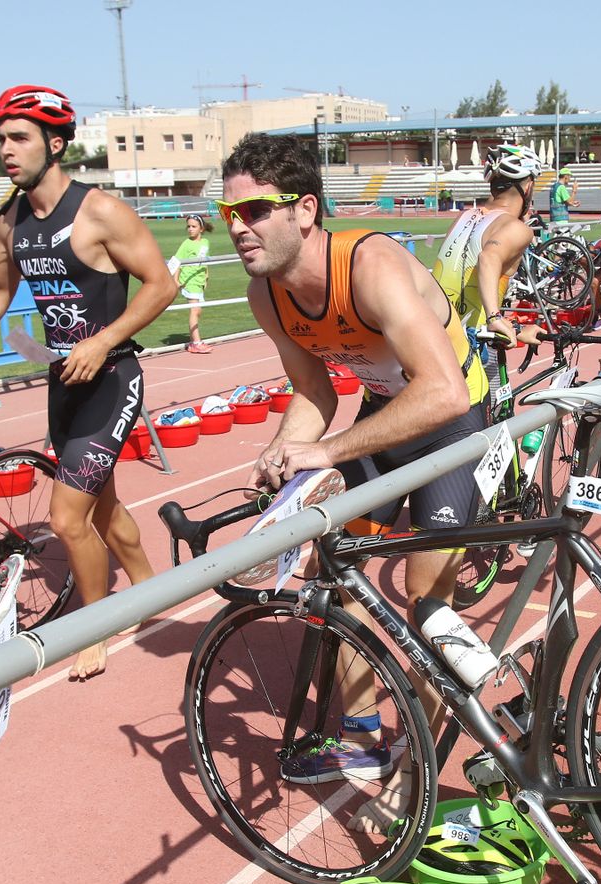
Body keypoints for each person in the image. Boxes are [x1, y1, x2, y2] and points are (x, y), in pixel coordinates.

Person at [220, 133, 490, 784]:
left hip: (454, 422)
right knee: (340, 578)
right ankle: (362, 738)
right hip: (387, 416)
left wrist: (326, 451)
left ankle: (422, 757)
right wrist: (286, 446)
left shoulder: (370, 266)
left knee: (427, 599)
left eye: (255, 211)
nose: (239, 227)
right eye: (231, 213)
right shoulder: (269, 295)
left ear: (305, 211)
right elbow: (313, 389)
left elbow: (443, 390)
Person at [0, 85, 175, 682]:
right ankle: (147, 587)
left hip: (112, 381)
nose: (6, 150)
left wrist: (104, 339)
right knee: (103, 512)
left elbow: (161, 284)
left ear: (55, 144)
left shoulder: (100, 212)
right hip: (64, 385)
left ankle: (96, 627)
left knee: (65, 519)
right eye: (0, 140)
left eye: (19, 139)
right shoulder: (11, 219)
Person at [430, 143, 546, 393]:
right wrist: (495, 318)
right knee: (491, 426)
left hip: (436, 334)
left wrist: (515, 328)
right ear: (528, 187)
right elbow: (488, 257)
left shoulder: (463, 217)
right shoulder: (517, 229)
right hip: (473, 345)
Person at [174, 214, 214, 353]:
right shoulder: (186, 244)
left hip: (199, 281)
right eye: (188, 226)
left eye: (193, 226)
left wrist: (206, 276)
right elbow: (177, 262)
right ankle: (196, 343)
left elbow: (203, 261)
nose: (190, 229)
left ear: (201, 229)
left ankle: (194, 341)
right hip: (189, 280)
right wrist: (176, 280)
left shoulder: (205, 242)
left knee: (198, 311)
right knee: (195, 310)